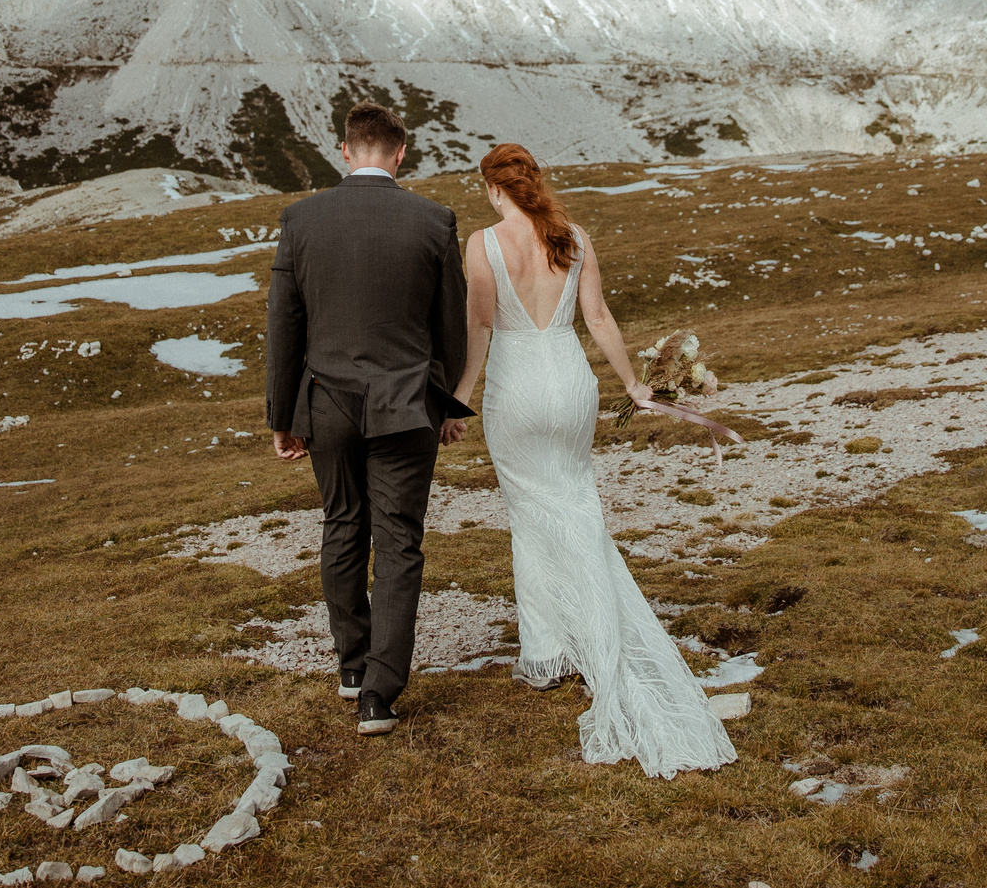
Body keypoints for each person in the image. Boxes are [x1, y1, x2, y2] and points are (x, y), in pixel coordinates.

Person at [457, 142, 737, 778]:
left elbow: (478, 328)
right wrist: (634, 383)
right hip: (571, 381)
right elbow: (600, 318)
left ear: (494, 188)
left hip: (516, 388)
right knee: (576, 502)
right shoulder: (572, 237)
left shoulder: (482, 243)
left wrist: (458, 400)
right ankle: (582, 632)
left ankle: (548, 652)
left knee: (531, 515)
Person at [265, 102, 470, 737]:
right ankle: (379, 694)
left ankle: (351, 665)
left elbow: (284, 327)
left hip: (327, 401)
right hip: (407, 403)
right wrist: (446, 404)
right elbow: (451, 329)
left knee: (342, 523)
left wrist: (282, 415)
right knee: (400, 542)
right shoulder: (434, 221)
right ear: (401, 153)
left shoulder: (300, 219)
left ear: (346, 151)